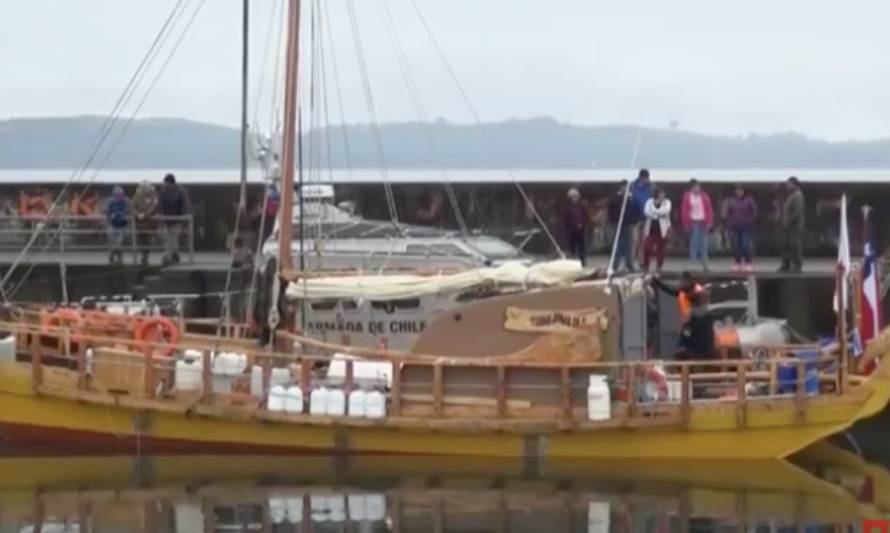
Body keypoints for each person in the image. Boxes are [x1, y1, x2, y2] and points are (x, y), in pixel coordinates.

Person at [680, 178, 714, 271]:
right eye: (694, 187)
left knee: (704, 243)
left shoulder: (704, 196)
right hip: (693, 221)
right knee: (694, 243)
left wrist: (710, 221)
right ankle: (693, 263)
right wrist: (686, 223)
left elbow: (709, 209)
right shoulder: (687, 196)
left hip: (703, 221)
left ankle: (705, 263)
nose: (696, 189)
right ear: (691, 188)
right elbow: (684, 210)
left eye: (698, 187)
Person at [158, 173, 191, 266]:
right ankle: (175, 255)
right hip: (166, 219)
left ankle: (167, 258)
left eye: (166, 183)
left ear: (171, 183)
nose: (165, 185)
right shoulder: (162, 191)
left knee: (173, 238)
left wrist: (183, 216)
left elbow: (185, 204)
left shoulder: (180, 191)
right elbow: (160, 204)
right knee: (167, 239)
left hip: (177, 220)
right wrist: (161, 215)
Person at [723, 183, 758, 273]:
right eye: (737, 190)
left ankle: (748, 262)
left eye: (740, 190)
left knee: (745, 245)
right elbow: (727, 213)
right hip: (734, 226)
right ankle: (737, 262)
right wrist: (729, 222)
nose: (739, 192)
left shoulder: (749, 200)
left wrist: (749, 221)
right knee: (736, 246)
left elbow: (754, 212)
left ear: (743, 191)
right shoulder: (731, 200)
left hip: (745, 226)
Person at [607, 180, 636, 272]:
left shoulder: (630, 198)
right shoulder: (614, 198)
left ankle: (629, 264)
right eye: (623, 187)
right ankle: (615, 265)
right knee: (617, 245)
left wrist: (633, 221)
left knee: (629, 245)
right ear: (621, 188)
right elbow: (610, 210)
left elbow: (635, 209)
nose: (625, 189)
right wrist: (613, 221)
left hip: (628, 224)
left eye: (626, 188)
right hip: (617, 224)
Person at [642, 187, 671, 273]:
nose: (662, 195)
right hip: (651, 228)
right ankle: (646, 266)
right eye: (661, 193)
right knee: (647, 248)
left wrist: (654, 212)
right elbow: (646, 212)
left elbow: (665, 211)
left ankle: (659, 267)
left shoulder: (667, 202)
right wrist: (656, 216)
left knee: (661, 249)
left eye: (663, 194)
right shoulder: (649, 202)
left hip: (662, 229)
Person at [779, 176, 805, 272]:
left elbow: (797, 212)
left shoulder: (798, 195)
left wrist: (789, 222)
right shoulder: (790, 195)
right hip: (787, 226)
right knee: (786, 245)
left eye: (789, 184)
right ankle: (785, 265)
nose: (787, 186)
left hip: (795, 227)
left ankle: (797, 266)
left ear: (794, 184)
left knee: (795, 246)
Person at [132, 180, 159, 266]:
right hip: (139, 223)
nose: (144, 190)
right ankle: (143, 254)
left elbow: (154, 205)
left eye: (145, 188)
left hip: (150, 223)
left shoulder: (154, 195)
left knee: (149, 240)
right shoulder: (137, 195)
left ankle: (146, 255)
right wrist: (137, 214)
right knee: (141, 240)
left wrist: (147, 214)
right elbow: (133, 207)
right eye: (142, 188)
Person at [104, 186, 130, 265]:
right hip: (113, 224)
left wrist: (118, 214)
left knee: (119, 242)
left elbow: (127, 211)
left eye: (121, 195)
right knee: (113, 242)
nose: (120, 196)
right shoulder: (111, 202)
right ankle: (113, 256)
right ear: (114, 195)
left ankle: (117, 257)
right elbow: (107, 213)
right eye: (118, 195)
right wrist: (111, 216)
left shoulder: (126, 202)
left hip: (122, 225)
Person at [630, 168, 652, 260]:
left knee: (643, 240)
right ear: (641, 178)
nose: (647, 180)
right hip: (635, 216)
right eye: (646, 178)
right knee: (635, 240)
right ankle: (631, 259)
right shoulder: (632, 187)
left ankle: (641, 258)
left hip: (646, 216)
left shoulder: (650, 187)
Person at [563, 187, 588, 266]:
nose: (574, 198)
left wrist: (582, 224)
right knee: (571, 247)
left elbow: (586, 217)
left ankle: (582, 262)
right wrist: (572, 224)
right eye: (572, 196)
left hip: (580, 230)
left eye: (575, 196)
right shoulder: (567, 207)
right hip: (571, 230)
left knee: (581, 247)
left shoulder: (582, 206)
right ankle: (572, 262)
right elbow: (565, 218)